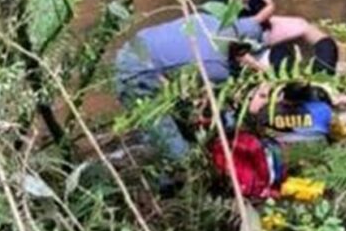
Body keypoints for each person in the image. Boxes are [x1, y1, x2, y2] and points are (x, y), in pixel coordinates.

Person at [114, 11, 267, 163]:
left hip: (136, 46)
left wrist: (259, 67)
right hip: (136, 74)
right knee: (175, 147)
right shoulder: (215, 67)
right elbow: (212, 100)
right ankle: (165, 177)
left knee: (178, 120)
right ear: (240, 47)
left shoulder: (209, 19)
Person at [210, 0, 339, 75]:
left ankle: (324, 69)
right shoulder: (223, 12)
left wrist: (255, 22)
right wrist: (264, 70)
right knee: (282, 55)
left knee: (305, 27)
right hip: (247, 43)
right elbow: (237, 53)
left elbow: (270, 5)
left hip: (262, 27)